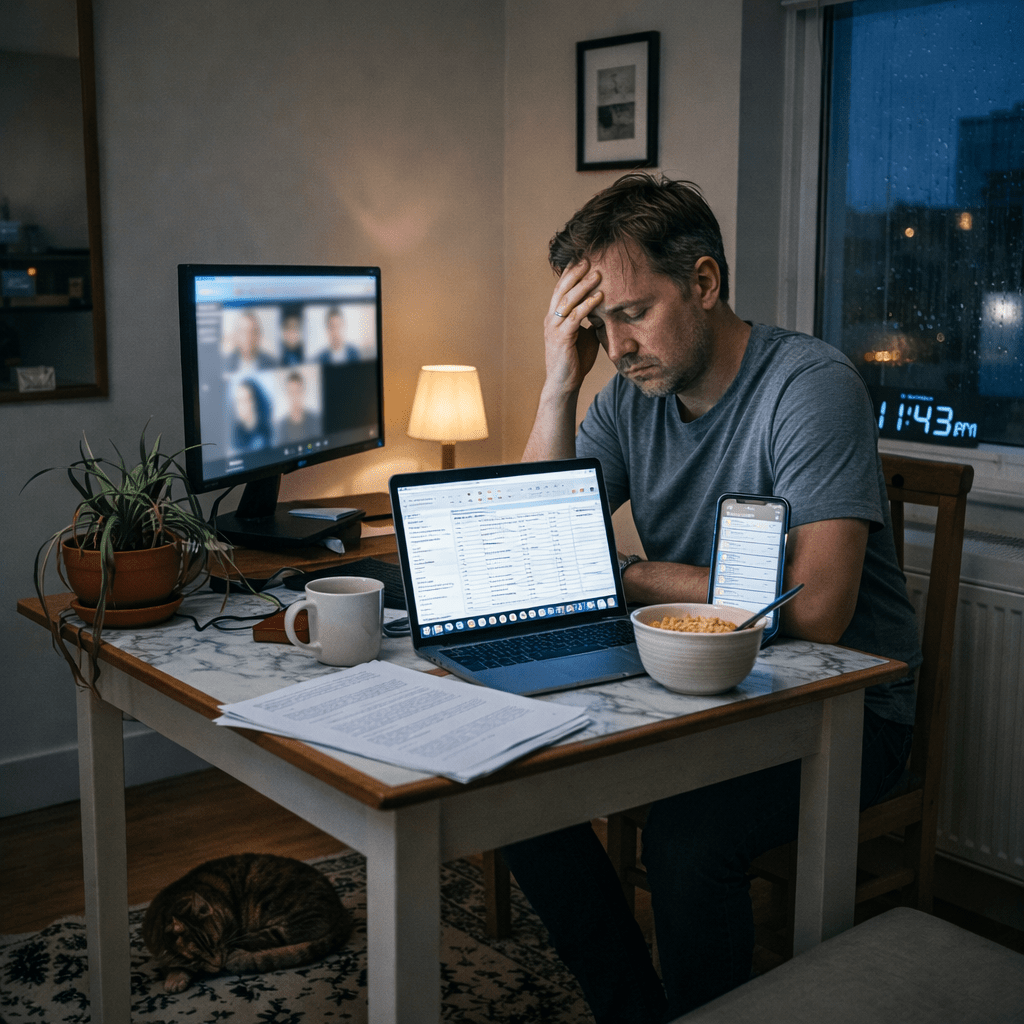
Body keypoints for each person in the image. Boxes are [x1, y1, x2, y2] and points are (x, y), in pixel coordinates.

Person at [503, 173, 921, 1023]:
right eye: (596, 324)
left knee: (688, 842)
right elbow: (539, 553)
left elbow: (816, 611)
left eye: (632, 313)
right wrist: (558, 382)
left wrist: (625, 574)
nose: (616, 347)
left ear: (702, 282)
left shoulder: (809, 385)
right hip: (697, 677)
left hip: (851, 710)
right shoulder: (626, 398)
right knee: (513, 791)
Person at [275, 371, 322, 445]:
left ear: (303, 392)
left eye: (298, 391)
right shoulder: (281, 426)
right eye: (291, 392)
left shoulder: (315, 420)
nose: (295, 397)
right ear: (287, 395)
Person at [230, 378, 273, 453]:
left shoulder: (267, 433)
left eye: (244, 400)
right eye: (238, 401)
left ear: (255, 402)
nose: (239, 406)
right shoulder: (234, 436)